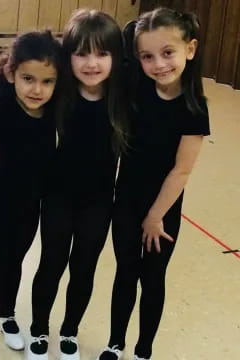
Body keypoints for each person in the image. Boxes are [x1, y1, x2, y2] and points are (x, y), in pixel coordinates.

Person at [97, 7, 209, 360]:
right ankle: (115, 343)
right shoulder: (136, 87)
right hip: (126, 203)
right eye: (148, 56)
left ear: (189, 50)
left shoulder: (194, 108)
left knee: (153, 279)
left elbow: (181, 171)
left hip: (162, 213)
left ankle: (144, 349)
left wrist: (156, 216)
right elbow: (98, 62)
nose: (159, 64)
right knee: (125, 273)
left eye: (168, 53)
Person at [26, 9, 129, 360]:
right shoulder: (60, 93)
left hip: (99, 201)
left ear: (117, 56)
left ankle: (69, 329)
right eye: (81, 53)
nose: (91, 63)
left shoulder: (122, 97)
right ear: (67, 55)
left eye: (102, 53)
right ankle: (39, 329)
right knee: (51, 264)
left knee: (84, 268)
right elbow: (20, 82)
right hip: (58, 196)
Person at [0, 30, 62, 360]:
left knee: (14, 264)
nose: (37, 89)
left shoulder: (54, 112)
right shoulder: (3, 105)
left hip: (29, 206)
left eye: (47, 82)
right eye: (28, 78)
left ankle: (6, 317)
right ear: (11, 73)